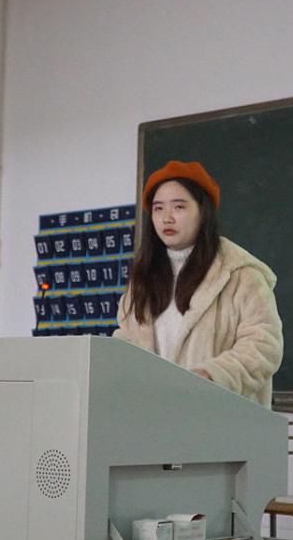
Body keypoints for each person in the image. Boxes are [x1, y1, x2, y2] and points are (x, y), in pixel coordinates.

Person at [113, 160, 283, 408]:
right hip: (154, 414)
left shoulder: (242, 275)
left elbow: (263, 346)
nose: (166, 218)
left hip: (219, 415)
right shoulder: (142, 280)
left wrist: (211, 376)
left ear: (203, 211)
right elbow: (125, 342)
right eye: (158, 209)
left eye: (179, 207)